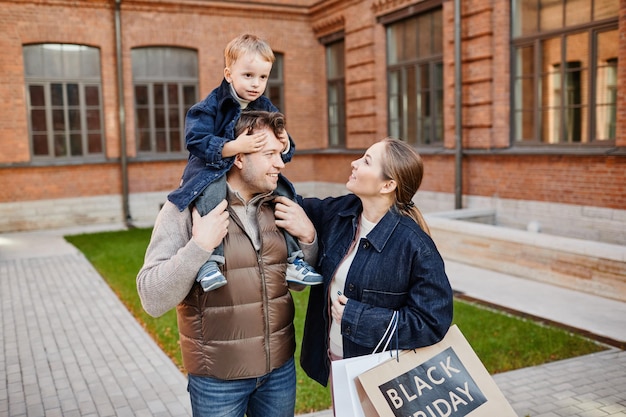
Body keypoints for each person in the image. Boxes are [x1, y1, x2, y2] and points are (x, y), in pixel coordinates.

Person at [137, 111, 318, 417]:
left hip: (278, 374)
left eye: (280, 153)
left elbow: (297, 284)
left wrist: (308, 238)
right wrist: (200, 247)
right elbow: (151, 298)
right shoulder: (186, 207)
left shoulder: (280, 205)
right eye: (270, 154)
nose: (281, 164)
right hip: (217, 381)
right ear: (238, 157)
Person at [293, 137, 454, 393]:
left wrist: (356, 318)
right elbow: (293, 203)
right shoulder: (340, 213)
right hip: (337, 361)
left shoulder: (415, 246)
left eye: (366, 161)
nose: (354, 163)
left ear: (388, 184)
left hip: (383, 375)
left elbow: (432, 322)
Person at [168, 33, 322, 292]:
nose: (256, 84)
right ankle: (209, 263)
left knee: (285, 194)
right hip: (210, 170)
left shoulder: (264, 106)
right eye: (248, 75)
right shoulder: (210, 106)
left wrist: (284, 142)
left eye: (263, 77)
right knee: (212, 200)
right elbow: (195, 140)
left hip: (248, 173)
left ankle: (295, 260)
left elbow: (278, 145)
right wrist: (233, 147)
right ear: (229, 74)